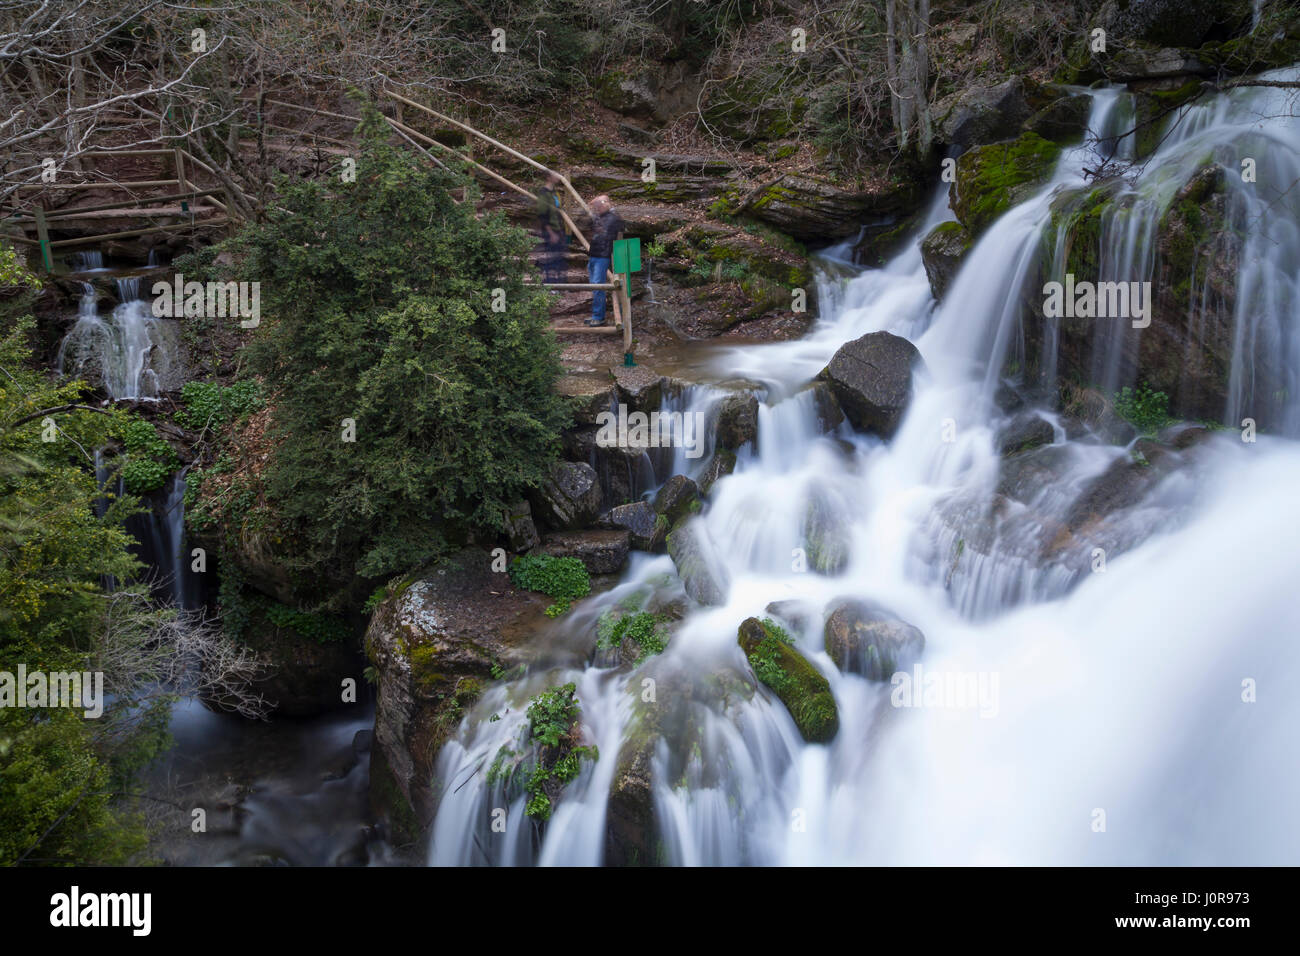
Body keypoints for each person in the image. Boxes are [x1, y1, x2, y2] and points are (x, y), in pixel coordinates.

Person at [585, 194, 624, 326]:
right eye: (597, 205)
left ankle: (599, 317)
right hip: (594, 254)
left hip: (603, 256)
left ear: (607, 203)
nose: (598, 207)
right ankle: (596, 315)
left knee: (598, 285)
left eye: (600, 204)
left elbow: (611, 228)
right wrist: (590, 207)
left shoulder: (613, 217)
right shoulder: (598, 217)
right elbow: (585, 224)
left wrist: (602, 204)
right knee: (594, 286)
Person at [536, 173, 567, 284]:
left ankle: (559, 283)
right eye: (555, 175)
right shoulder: (543, 193)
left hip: (559, 229)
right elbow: (542, 215)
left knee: (559, 257)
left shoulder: (555, 192)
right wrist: (551, 233)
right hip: (550, 230)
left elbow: (559, 210)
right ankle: (550, 284)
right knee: (552, 257)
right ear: (548, 177)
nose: (558, 176)